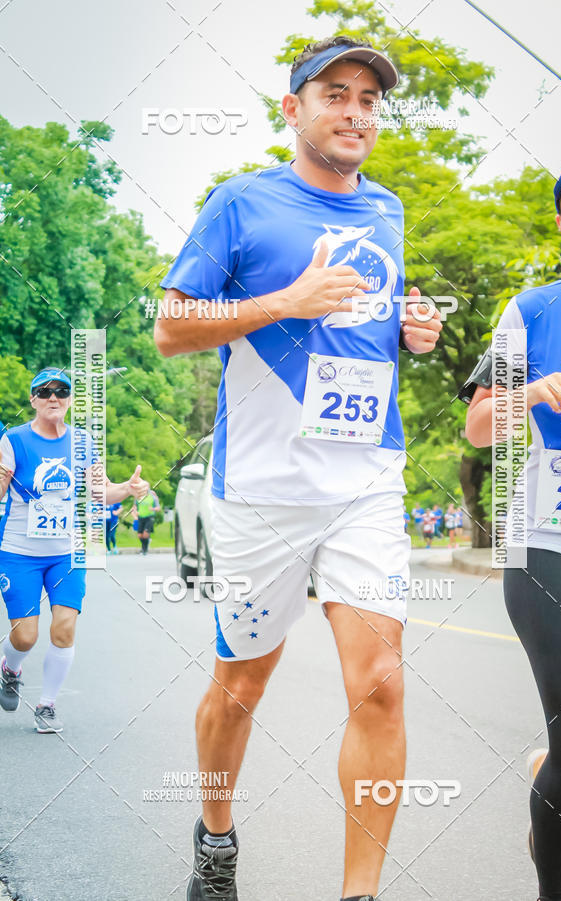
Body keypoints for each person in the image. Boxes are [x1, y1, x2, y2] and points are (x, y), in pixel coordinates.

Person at [155, 35, 443, 901]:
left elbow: (359, 325)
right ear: (294, 109)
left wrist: (411, 333)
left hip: (365, 479)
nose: (355, 112)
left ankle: (361, 892)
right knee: (240, 686)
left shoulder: (386, 208)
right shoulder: (240, 203)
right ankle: (215, 834)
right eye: (335, 94)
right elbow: (170, 328)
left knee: (381, 687)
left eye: (369, 99)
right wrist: (284, 301)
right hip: (262, 490)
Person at [461, 153, 561, 901]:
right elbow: (481, 426)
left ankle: (555, 772)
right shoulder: (533, 312)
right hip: (547, 543)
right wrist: (535, 392)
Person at [0, 368, 150, 732]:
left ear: (69, 400)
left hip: (67, 552)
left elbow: (100, 492)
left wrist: (128, 489)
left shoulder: (82, 442)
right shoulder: (13, 439)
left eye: (61, 391)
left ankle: (47, 705)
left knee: (64, 628)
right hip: (19, 552)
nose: (53, 397)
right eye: (44, 391)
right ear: (33, 400)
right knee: (25, 636)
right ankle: (10, 668)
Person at [134, 489, 160, 555]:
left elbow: (158, 508)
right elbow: (135, 506)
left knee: (145, 534)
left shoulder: (152, 496)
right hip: (140, 517)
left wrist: (153, 509)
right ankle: (146, 543)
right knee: (140, 535)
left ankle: (144, 549)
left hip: (149, 517)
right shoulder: (138, 496)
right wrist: (135, 512)